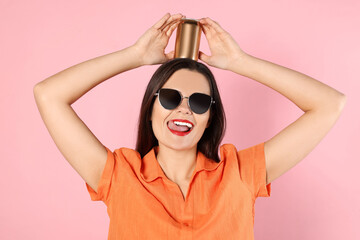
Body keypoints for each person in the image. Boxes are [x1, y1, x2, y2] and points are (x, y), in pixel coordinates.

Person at [33, 12, 346, 239]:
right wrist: (136, 55)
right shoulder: (118, 175)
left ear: (210, 116)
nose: (184, 109)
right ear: (150, 107)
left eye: (198, 102)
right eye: (170, 97)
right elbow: (48, 95)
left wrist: (239, 62)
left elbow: (329, 104)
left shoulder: (240, 173)